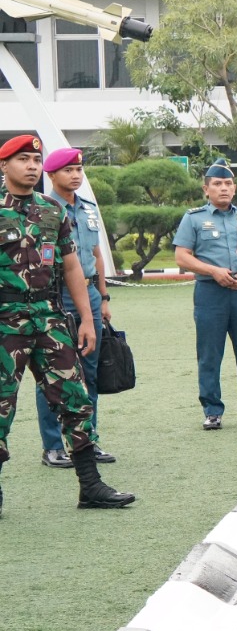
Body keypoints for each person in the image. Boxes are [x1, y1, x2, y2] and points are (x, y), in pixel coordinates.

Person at [0, 134, 133, 516]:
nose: (31, 166)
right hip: (5, 322)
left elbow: (72, 266)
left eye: (35, 160)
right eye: (22, 159)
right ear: (4, 166)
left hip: (50, 319)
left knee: (75, 399)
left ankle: (90, 487)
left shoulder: (51, 211)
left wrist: (87, 320)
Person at [173, 159, 237, 431]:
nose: (223, 188)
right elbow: (181, 256)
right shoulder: (193, 218)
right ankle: (212, 410)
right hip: (209, 293)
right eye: (217, 184)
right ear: (206, 189)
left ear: (235, 187)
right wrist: (212, 271)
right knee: (209, 354)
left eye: (228, 183)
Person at [34, 146, 117, 468]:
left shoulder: (88, 209)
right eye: (68, 170)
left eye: (79, 170)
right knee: (53, 373)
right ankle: (53, 445)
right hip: (55, 296)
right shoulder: (43, 209)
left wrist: (104, 296)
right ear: (52, 175)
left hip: (89, 298)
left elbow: (95, 255)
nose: (76, 175)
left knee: (90, 372)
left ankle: (87, 441)